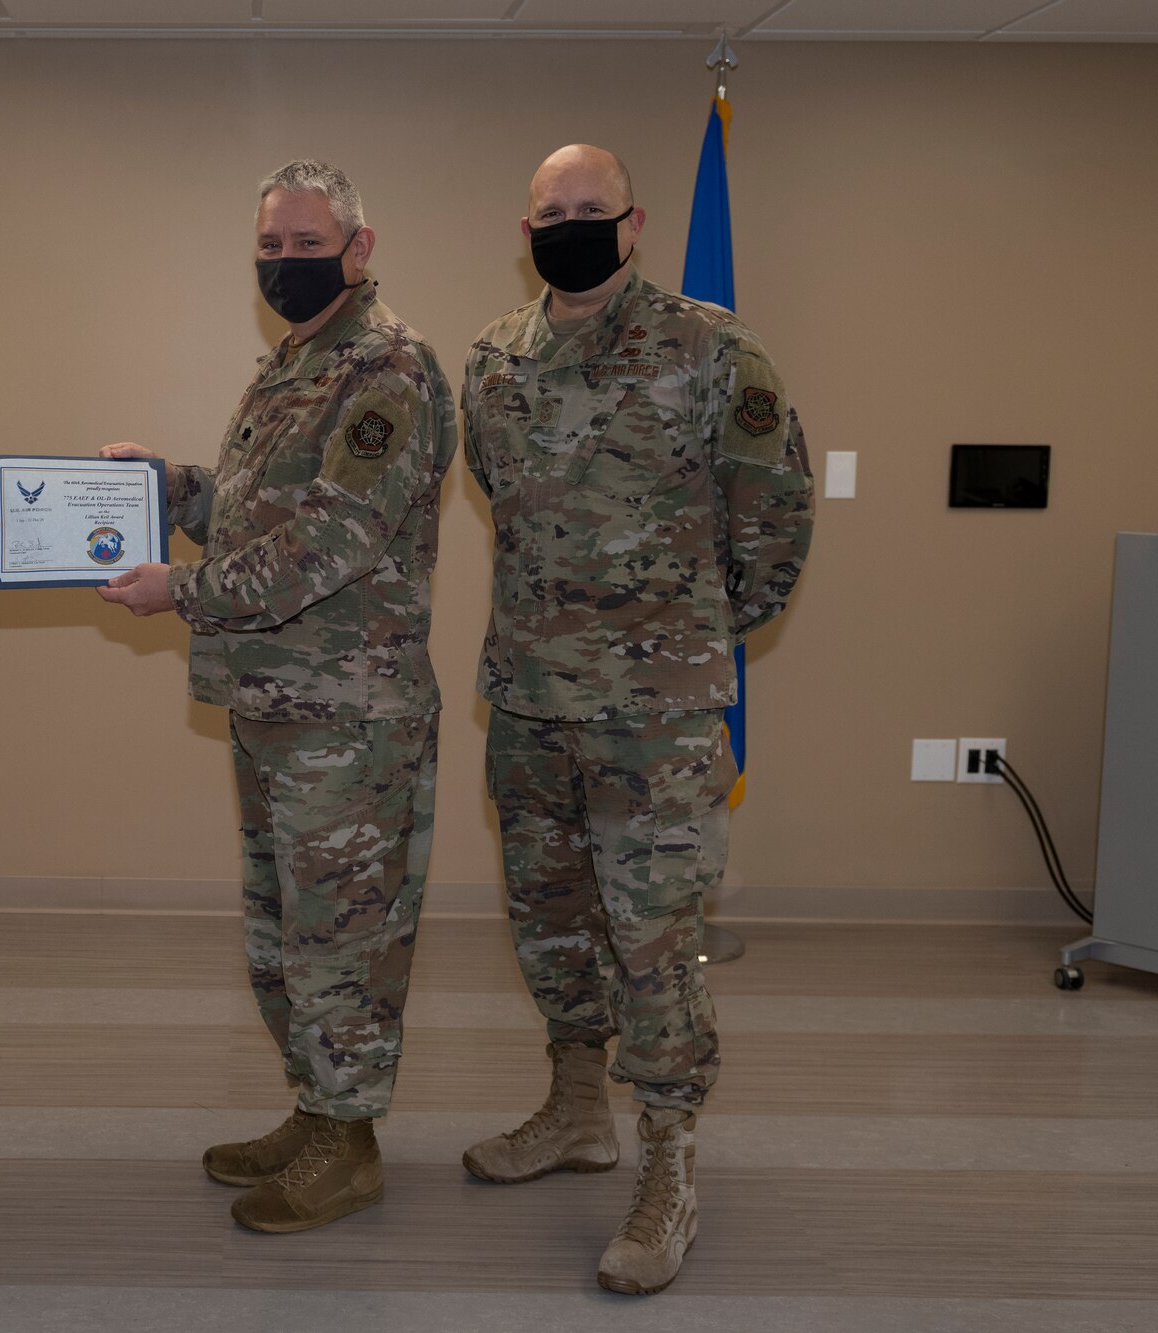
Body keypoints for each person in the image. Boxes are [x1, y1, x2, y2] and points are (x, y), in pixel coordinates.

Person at [459, 144, 813, 1294]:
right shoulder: (493, 361)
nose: (567, 226)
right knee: (552, 924)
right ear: (524, 231)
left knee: (655, 945)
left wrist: (684, 637)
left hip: (652, 717)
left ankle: (666, 1163)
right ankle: (574, 1111)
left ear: (633, 221)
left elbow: (772, 513)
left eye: (588, 210)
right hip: (527, 698)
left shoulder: (712, 347)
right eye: (547, 213)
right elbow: (502, 503)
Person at [97, 159, 455, 1234]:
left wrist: (180, 591)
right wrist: (176, 489)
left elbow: (331, 543)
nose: (284, 263)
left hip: (345, 717)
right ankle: (315, 1110)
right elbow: (265, 517)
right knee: (282, 935)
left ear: (358, 245)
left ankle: (347, 1146)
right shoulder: (293, 363)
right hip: (276, 702)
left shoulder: (383, 368)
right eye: (270, 246)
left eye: (306, 244)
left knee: (338, 938)